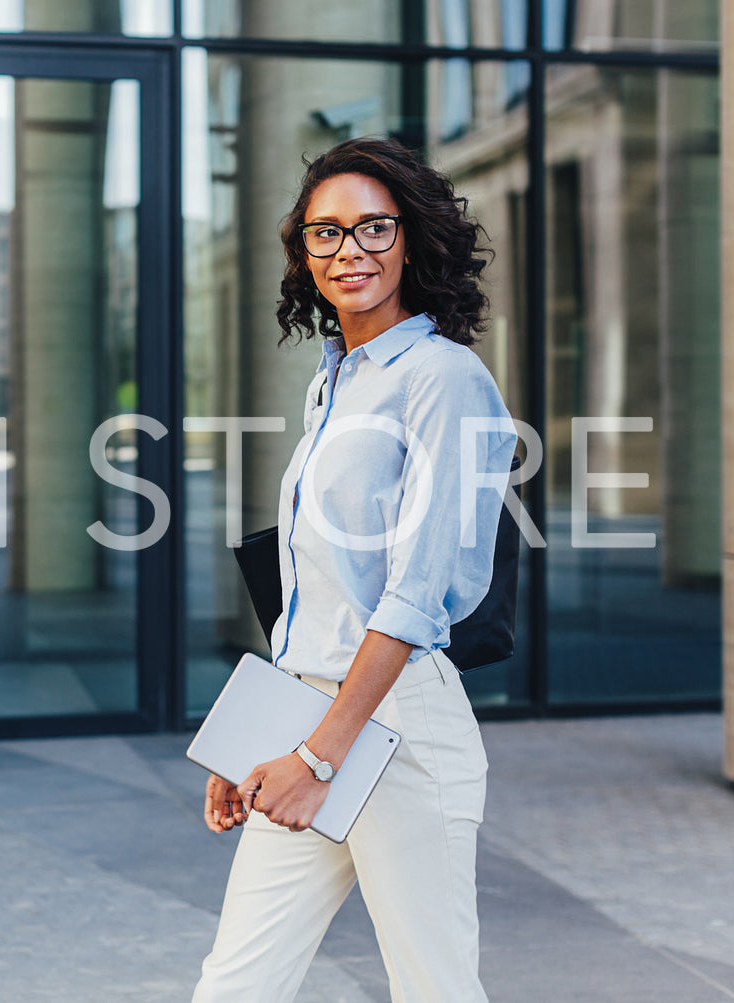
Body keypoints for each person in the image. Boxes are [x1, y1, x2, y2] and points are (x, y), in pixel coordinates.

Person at [194, 137, 516, 1002]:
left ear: (410, 239)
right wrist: (263, 746)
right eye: (324, 233)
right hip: (316, 720)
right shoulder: (335, 381)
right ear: (303, 252)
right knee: (235, 984)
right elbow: (318, 595)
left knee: (434, 987)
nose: (350, 252)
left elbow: (413, 600)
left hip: (398, 728)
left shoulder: (443, 379)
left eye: (373, 228)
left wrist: (316, 758)